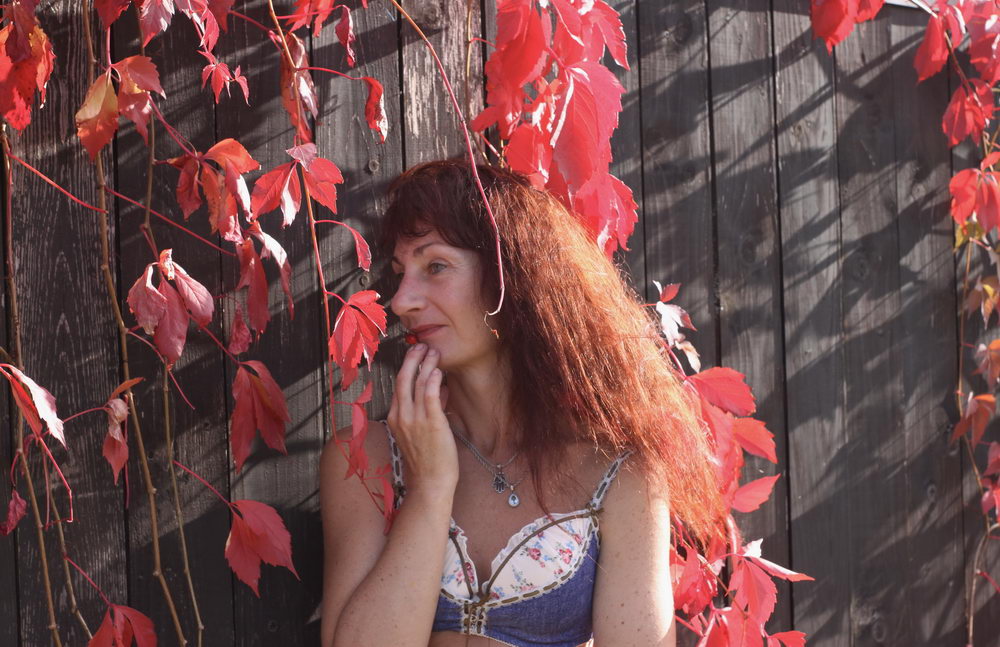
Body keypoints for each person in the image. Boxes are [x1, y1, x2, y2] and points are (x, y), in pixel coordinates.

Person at [319, 160, 727, 647]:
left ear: (511, 275)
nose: (401, 301)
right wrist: (430, 489)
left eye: (435, 267)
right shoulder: (366, 458)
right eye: (400, 274)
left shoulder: (620, 468)